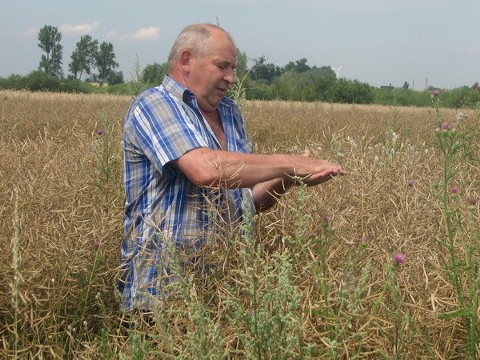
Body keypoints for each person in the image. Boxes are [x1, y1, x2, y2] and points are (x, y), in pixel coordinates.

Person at [119, 23, 346, 312]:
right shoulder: (154, 104)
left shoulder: (229, 113)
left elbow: (247, 201)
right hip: (162, 295)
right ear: (187, 60)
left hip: (225, 291)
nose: (231, 78)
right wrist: (290, 162)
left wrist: (289, 177)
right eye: (222, 66)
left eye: (233, 68)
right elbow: (206, 170)